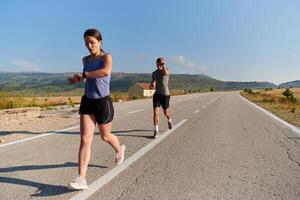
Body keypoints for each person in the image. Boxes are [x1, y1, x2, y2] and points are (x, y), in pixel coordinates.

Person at [67, 28, 125, 190]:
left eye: (92, 42)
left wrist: (84, 75)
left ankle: (119, 150)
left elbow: (105, 72)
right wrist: (78, 78)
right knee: (85, 139)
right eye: (86, 43)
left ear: (100, 42)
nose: (89, 46)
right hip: (88, 101)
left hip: (102, 102)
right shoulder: (85, 60)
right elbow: (88, 77)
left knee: (105, 136)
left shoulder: (106, 57)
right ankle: (81, 178)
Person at [150, 57, 173, 139]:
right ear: (156, 64)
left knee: (166, 113)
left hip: (165, 94)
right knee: (155, 113)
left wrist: (163, 64)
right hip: (157, 95)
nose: (159, 65)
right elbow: (151, 84)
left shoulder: (166, 70)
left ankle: (169, 119)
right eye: (158, 64)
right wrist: (152, 85)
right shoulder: (154, 73)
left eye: (161, 64)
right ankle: (156, 131)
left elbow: (165, 72)